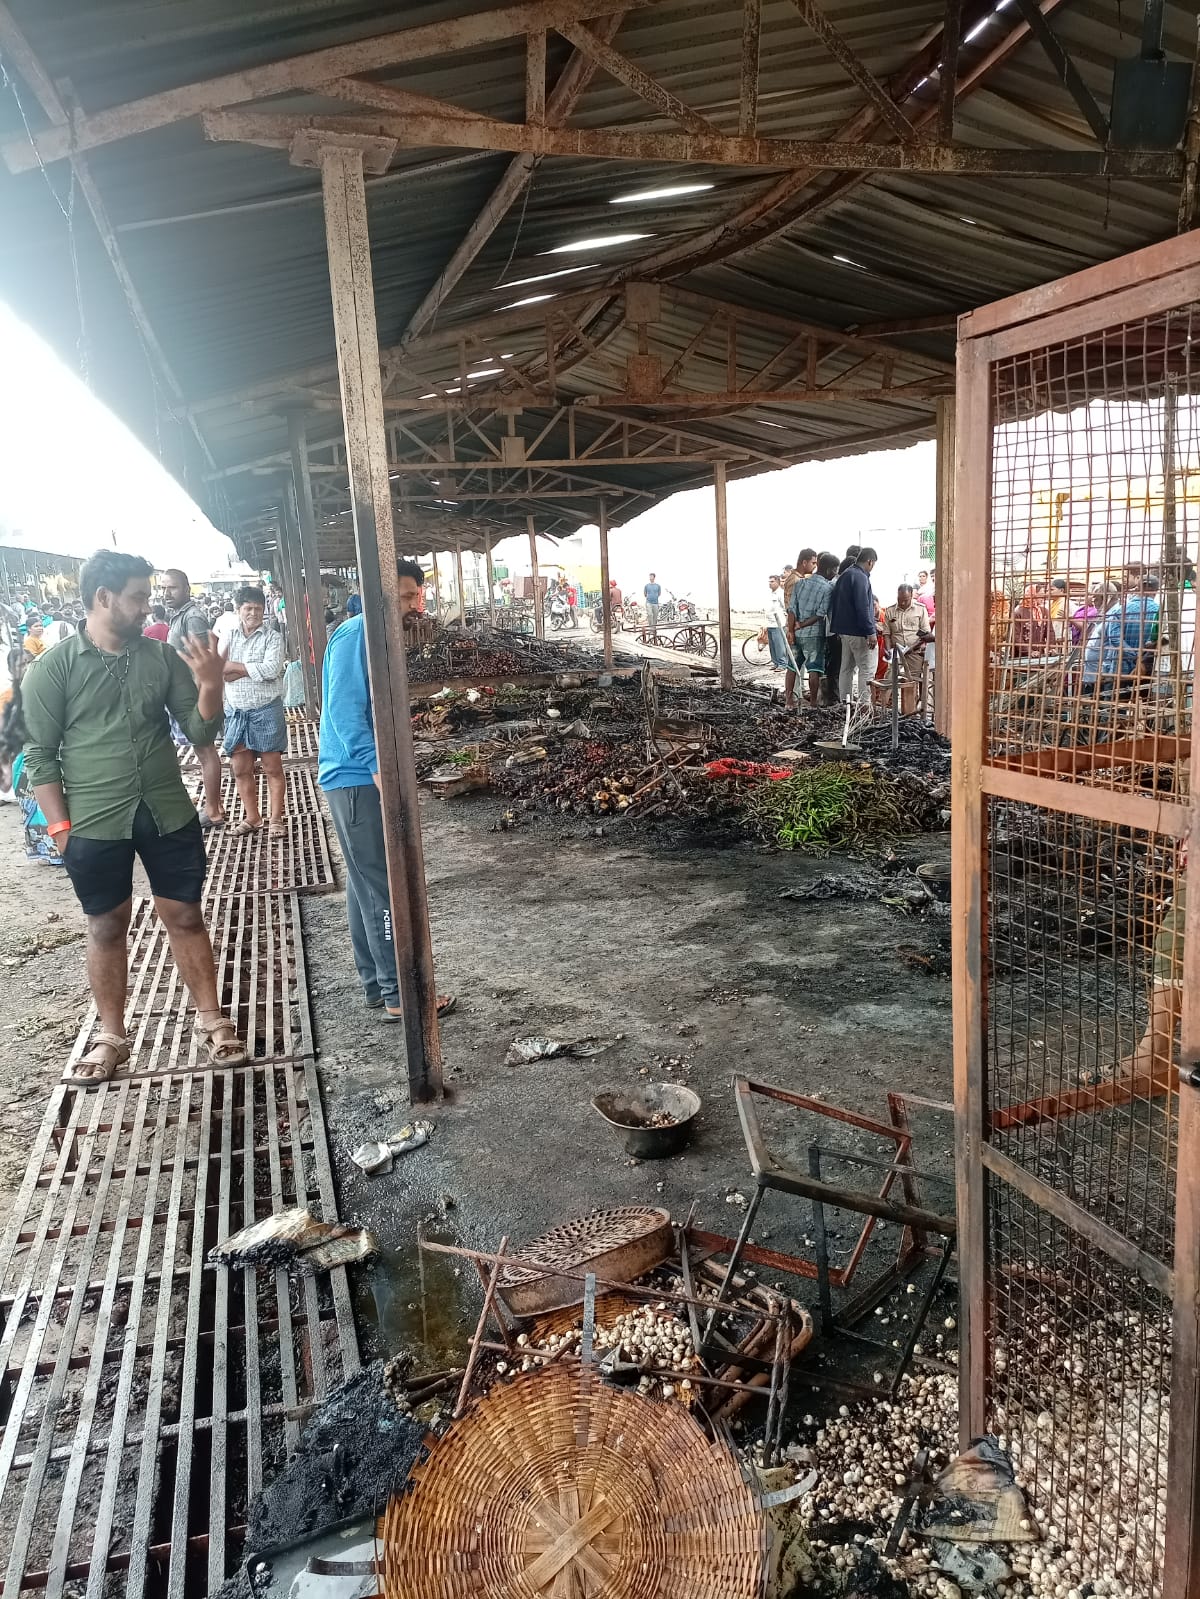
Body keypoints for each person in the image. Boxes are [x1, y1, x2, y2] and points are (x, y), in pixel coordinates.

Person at [22, 550, 246, 1081]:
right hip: (95, 819)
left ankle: (213, 1022)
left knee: (186, 916)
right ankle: (111, 1038)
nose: (149, 606)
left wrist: (211, 684)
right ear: (104, 598)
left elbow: (199, 732)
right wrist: (59, 830)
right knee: (105, 926)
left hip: (166, 810)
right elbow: (39, 756)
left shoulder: (158, 657)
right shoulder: (52, 669)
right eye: (139, 596)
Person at [319, 558, 453, 1023]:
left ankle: (378, 987)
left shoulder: (375, 634)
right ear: (373, 593)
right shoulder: (358, 634)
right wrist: (376, 765)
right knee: (385, 886)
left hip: (353, 776)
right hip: (356, 778)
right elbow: (343, 709)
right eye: (397, 596)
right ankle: (400, 994)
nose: (407, 605)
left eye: (411, 596)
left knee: (364, 885)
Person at [161, 568, 228, 831]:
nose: (167, 593)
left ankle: (213, 810)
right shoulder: (180, 616)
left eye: (173, 588)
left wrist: (204, 699)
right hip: (186, 694)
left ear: (187, 588)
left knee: (205, 749)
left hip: (195, 696)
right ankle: (213, 807)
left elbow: (204, 659)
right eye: (164, 588)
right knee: (203, 750)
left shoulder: (193, 617)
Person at [222, 585, 288, 837]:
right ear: (238, 610)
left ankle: (275, 819)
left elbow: (271, 670)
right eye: (248, 608)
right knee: (240, 768)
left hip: (266, 710)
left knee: (272, 767)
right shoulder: (228, 636)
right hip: (236, 711)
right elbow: (221, 670)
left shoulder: (273, 637)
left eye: (258, 609)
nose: (253, 613)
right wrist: (249, 669)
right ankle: (252, 818)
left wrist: (235, 667)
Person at [1081, 573, 1160, 690]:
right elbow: (1157, 638)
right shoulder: (1159, 610)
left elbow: (1114, 638)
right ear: (1156, 590)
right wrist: (1140, 658)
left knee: (1114, 702)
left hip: (1119, 667)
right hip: (1145, 667)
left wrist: (1134, 655)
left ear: (1137, 588)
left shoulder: (1121, 610)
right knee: (1141, 702)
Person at [787, 551, 838, 708]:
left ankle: (789, 701)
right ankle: (814, 703)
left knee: (792, 667)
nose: (836, 573)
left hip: (795, 633)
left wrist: (791, 630)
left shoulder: (801, 583)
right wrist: (803, 624)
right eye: (835, 570)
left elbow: (791, 609)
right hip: (814, 634)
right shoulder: (828, 588)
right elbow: (820, 613)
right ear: (830, 570)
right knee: (814, 669)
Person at [830, 547, 880, 703]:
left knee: (847, 668)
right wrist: (870, 632)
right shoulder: (860, 577)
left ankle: (846, 704)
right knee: (866, 670)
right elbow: (863, 606)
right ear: (870, 562)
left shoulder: (845, 574)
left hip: (845, 631)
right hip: (859, 632)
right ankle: (864, 707)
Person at [883, 584, 932, 680]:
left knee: (912, 681)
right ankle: (890, 695)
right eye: (900, 599)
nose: (902, 603)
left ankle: (910, 695)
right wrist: (889, 650)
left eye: (906, 600)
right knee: (889, 680)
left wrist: (911, 648)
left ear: (911, 596)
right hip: (896, 652)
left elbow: (926, 634)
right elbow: (887, 634)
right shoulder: (890, 610)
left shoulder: (921, 609)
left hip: (914, 652)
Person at [760, 575, 789, 671]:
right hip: (770, 623)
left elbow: (785, 608)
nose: (770, 583)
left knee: (779, 645)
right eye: (769, 581)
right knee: (772, 645)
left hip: (778, 624)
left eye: (772, 581)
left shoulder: (781, 593)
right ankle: (775, 662)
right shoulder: (770, 594)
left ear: (777, 582)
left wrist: (787, 620)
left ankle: (782, 664)